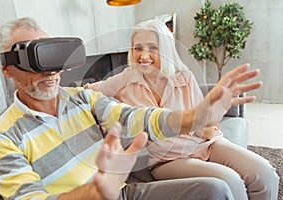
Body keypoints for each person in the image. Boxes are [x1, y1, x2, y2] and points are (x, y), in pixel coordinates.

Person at [0, 17, 241, 200]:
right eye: (34, 61)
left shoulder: (82, 99)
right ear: (6, 69)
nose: (50, 71)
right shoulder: (0, 137)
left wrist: (194, 117)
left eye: (52, 57)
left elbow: (135, 117)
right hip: (91, 195)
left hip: (123, 192)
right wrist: (95, 192)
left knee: (214, 190)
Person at [85, 19, 279, 200]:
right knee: (231, 181)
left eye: (153, 48)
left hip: (206, 143)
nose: (144, 56)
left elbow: (202, 123)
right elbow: (88, 92)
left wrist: (213, 115)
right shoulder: (124, 80)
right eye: (138, 48)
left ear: (165, 50)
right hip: (167, 160)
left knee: (264, 172)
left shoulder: (184, 76)